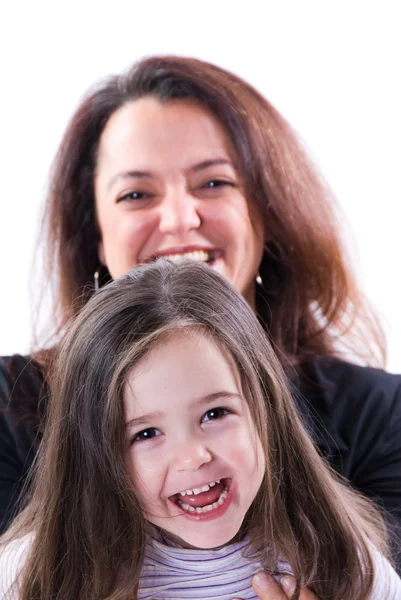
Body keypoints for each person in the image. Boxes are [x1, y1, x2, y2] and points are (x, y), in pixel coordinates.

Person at [0, 55, 400, 592]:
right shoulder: (10, 409)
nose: (179, 219)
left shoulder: (377, 427)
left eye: (213, 183)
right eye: (136, 194)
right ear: (95, 233)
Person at [1, 260, 400, 600]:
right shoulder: (37, 571)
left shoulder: (343, 558)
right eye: (145, 434)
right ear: (95, 453)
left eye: (215, 414)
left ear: (267, 409)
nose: (193, 456)